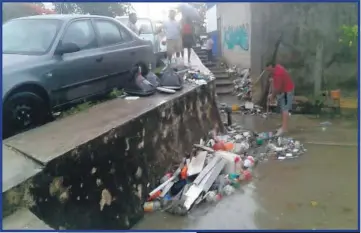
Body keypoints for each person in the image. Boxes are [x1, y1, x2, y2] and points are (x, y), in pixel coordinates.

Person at [266, 62, 295, 136]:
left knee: (285, 109)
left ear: (270, 66)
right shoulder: (277, 68)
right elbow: (276, 86)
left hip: (287, 91)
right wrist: (272, 82)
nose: (267, 71)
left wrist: (272, 96)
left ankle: (284, 129)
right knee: (282, 109)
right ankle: (283, 126)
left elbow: (277, 89)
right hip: (284, 89)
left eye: (268, 69)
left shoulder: (278, 74)